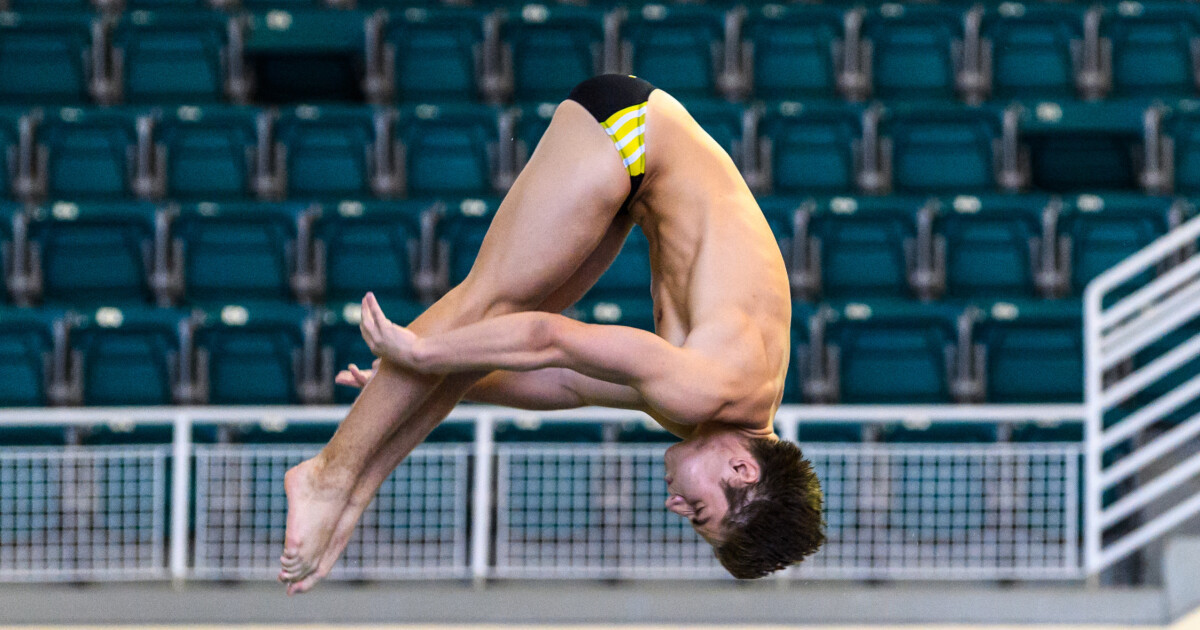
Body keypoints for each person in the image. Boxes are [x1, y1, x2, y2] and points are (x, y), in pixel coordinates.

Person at [278, 75, 824, 594]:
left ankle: (353, 493)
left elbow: (567, 382)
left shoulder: (712, 411)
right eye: (699, 511)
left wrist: (429, 377)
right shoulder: (708, 389)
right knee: (488, 305)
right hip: (629, 128)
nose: (676, 508)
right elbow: (551, 338)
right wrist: (420, 351)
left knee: (472, 350)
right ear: (742, 469)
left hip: (639, 181)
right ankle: (328, 476)